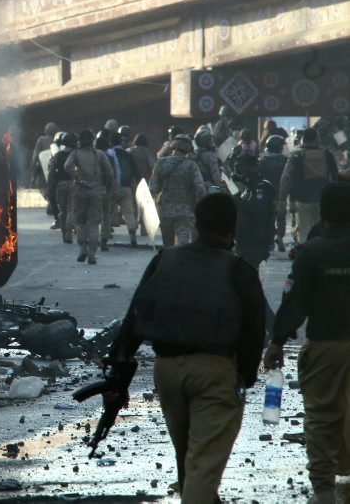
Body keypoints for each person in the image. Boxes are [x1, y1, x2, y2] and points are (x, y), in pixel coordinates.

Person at [108, 193, 267, 501]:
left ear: (196, 223)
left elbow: (135, 317)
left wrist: (118, 369)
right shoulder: (239, 270)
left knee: (188, 462)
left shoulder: (164, 259)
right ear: (233, 227)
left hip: (167, 372)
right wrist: (243, 378)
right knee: (203, 466)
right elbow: (254, 332)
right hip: (214, 373)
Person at [264, 182, 350, 503]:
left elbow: (294, 302)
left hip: (325, 347)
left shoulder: (312, 252)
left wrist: (277, 342)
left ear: (323, 212)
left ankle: (324, 491)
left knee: (322, 418)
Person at [277, 127, 339, 244]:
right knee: (321, 231)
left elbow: (287, 178)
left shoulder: (297, 155)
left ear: (303, 139)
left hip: (302, 200)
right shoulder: (326, 154)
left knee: (304, 232)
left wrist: (283, 199)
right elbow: (335, 177)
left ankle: (305, 252)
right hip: (323, 199)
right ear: (317, 139)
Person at [64, 130, 115, 265]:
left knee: (80, 221)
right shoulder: (100, 154)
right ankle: (92, 253)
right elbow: (110, 172)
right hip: (96, 192)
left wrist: (77, 177)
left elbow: (67, 166)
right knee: (94, 223)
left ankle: (83, 248)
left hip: (80, 191)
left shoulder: (75, 153)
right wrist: (107, 187)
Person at [149, 135, 207, 247]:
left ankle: (169, 258)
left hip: (164, 211)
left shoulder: (160, 163)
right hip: (185, 212)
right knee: (183, 244)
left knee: (168, 246)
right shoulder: (191, 165)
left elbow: (153, 188)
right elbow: (200, 189)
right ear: (188, 148)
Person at [232, 154, 277, 270]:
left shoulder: (261, 187)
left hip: (256, 238)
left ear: (254, 167)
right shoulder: (248, 187)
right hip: (244, 237)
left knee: (249, 270)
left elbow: (257, 209)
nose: (240, 171)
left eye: (243, 167)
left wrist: (235, 199)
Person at [259, 134, 289, 251]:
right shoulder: (285, 160)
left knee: (269, 217)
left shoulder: (262, 160)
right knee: (281, 215)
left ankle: (270, 240)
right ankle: (279, 235)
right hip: (281, 192)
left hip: (266, 191)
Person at [47, 132, 77, 244]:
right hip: (73, 184)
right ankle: (69, 232)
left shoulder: (58, 155)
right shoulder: (75, 155)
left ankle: (64, 233)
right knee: (71, 209)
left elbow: (51, 172)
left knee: (62, 210)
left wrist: (50, 187)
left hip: (60, 185)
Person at [111, 131, 140, 247]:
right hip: (126, 187)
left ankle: (104, 237)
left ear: (110, 142)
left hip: (112, 188)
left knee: (107, 212)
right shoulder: (127, 155)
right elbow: (136, 171)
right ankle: (132, 236)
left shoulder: (109, 154)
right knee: (129, 213)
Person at [96, 130, 121, 251]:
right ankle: (104, 239)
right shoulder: (110, 157)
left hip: (93, 189)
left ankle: (93, 237)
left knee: (93, 215)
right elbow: (114, 173)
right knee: (106, 215)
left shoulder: (92, 157)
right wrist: (114, 188)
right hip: (106, 189)